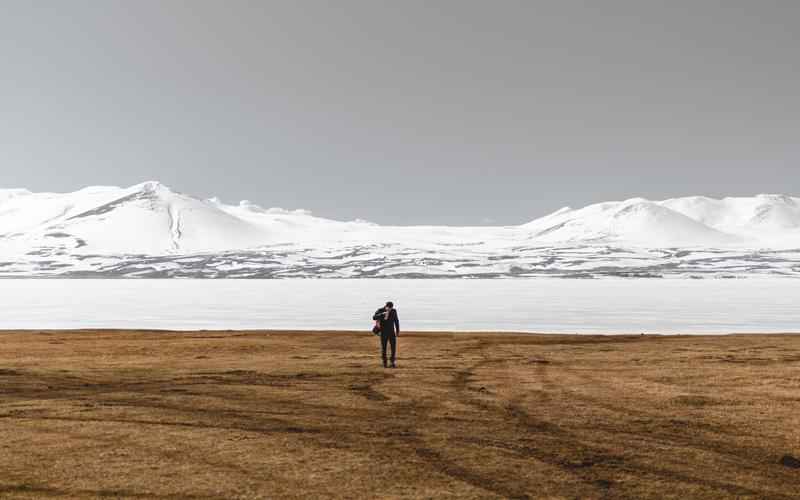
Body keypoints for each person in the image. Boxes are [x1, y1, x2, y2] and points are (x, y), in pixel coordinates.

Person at [373, 301, 400, 368]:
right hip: (383, 332)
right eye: (389, 308)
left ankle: (392, 362)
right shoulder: (380, 310)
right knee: (384, 348)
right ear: (386, 306)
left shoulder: (394, 311)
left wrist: (397, 331)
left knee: (393, 348)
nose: (390, 309)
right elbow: (374, 317)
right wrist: (382, 314)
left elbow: (396, 321)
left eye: (391, 308)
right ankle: (384, 362)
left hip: (391, 332)